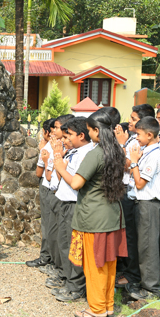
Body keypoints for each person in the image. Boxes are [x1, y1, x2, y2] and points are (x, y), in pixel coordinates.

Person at [67, 110, 127, 317]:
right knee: (109, 264)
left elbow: (76, 183)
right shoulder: (118, 151)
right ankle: (107, 306)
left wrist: (60, 167)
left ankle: (97, 309)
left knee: (95, 265)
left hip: (94, 218)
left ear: (96, 131)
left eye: (90, 130)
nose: (89, 133)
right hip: (113, 216)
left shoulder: (95, 153)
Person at [51, 117, 94, 302]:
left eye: (69, 135)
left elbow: (76, 182)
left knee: (73, 247)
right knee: (64, 243)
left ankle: (76, 287)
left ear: (81, 135)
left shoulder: (87, 154)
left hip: (75, 204)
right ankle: (68, 280)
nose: (65, 139)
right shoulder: (75, 152)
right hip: (65, 201)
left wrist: (61, 168)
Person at [113, 104, 155, 289]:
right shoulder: (133, 139)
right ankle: (128, 269)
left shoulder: (139, 143)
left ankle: (134, 274)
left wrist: (122, 145)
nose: (129, 121)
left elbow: (129, 165)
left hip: (136, 192)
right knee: (126, 234)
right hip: (127, 189)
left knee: (134, 237)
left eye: (133, 119)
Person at [127, 117, 160, 300]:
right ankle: (142, 283)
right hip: (140, 203)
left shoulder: (155, 155)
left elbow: (140, 183)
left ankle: (151, 289)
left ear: (150, 135)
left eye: (139, 134)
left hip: (148, 204)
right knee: (141, 245)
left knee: (148, 247)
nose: (136, 138)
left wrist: (134, 162)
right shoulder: (146, 152)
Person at [43, 114, 74, 286]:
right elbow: (49, 175)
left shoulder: (69, 151)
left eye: (56, 127)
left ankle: (66, 276)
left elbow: (64, 177)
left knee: (65, 240)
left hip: (66, 197)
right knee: (55, 235)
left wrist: (57, 156)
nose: (53, 131)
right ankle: (59, 269)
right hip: (55, 192)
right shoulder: (57, 148)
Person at [26, 118, 56, 269]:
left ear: (46, 132)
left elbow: (39, 173)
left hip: (48, 185)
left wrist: (42, 152)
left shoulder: (48, 147)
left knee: (47, 223)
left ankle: (46, 256)